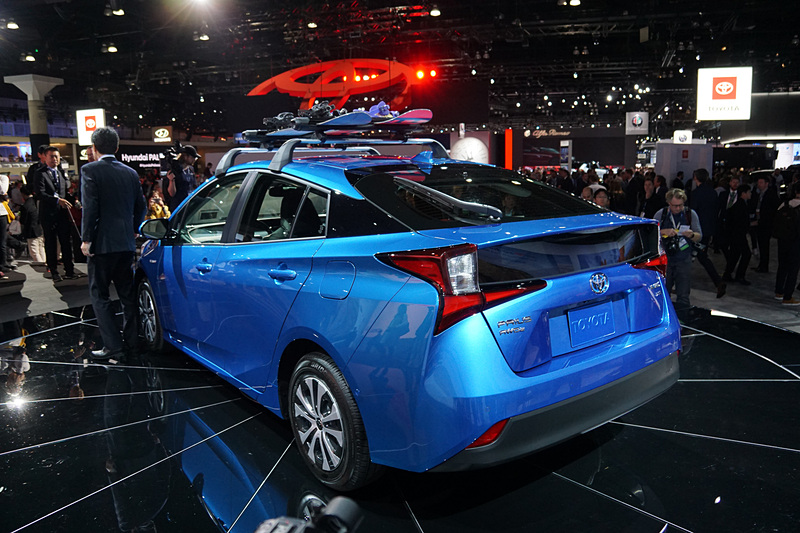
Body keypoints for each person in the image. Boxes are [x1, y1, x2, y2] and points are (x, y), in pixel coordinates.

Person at [80, 127, 146, 360]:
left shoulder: (89, 170)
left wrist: (86, 239)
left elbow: (90, 207)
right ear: (116, 147)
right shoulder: (130, 172)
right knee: (127, 295)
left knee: (99, 295)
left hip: (102, 245)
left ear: (94, 148)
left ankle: (113, 346)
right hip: (126, 243)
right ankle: (133, 343)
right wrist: (134, 229)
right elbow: (141, 206)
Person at [33, 146, 80, 282]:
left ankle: (69, 270)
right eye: (52, 156)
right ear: (45, 158)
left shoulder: (60, 173)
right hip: (48, 214)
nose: (55, 159)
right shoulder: (40, 173)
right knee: (51, 243)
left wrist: (75, 201)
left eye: (57, 156)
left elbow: (64, 193)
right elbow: (40, 194)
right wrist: (57, 201)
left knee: (66, 242)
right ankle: (53, 271)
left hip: (62, 214)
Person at [653, 188, 702, 310]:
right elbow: (651, 234)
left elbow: (699, 236)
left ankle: (683, 317)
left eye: (681, 205)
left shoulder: (690, 214)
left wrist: (692, 235)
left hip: (683, 259)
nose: (678, 208)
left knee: (683, 295)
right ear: (669, 203)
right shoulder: (661, 214)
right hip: (665, 260)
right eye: (675, 206)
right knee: (663, 294)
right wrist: (663, 231)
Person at [689, 168, 726, 298]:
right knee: (701, 255)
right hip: (709, 228)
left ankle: (718, 281)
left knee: (695, 255)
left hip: (697, 230)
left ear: (695, 178)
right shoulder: (713, 192)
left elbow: (693, 212)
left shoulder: (695, 193)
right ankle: (718, 282)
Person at [773, 182, 800, 306]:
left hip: (782, 240)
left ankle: (779, 292)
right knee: (793, 269)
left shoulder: (784, 204)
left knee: (782, 266)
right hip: (796, 242)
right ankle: (788, 297)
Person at [721, 183, 754, 285]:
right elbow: (740, 221)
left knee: (734, 255)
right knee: (745, 254)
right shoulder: (741, 206)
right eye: (749, 192)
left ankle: (728, 273)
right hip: (738, 235)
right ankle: (739, 275)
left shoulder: (738, 204)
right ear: (743, 193)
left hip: (735, 234)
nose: (750, 194)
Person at [752, 175, 780, 273]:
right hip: (760, 221)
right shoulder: (759, 194)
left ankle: (764, 265)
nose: (759, 185)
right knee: (761, 244)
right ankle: (762, 264)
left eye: (761, 183)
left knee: (764, 245)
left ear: (766, 184)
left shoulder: (770, 194)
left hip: (766, 223)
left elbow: (772, 210)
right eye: (758, 183)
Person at [164, 145, 199, 212]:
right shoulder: (175, 170)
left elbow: (194, 186)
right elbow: (172, 193)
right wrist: (171, 180)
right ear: (185, 156)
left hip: (189, 204)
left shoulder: (191, 170)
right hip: (179, 206)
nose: (194, 159)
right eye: (192, 157)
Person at [17, 185, 45, 264]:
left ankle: (40, 264)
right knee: (41, 248)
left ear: (23, 193)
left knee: (34, 250)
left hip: (31, 230)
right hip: (39, 228)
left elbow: (23, 220)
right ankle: (45, 262)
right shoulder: (36, 201)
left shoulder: (25, 206)